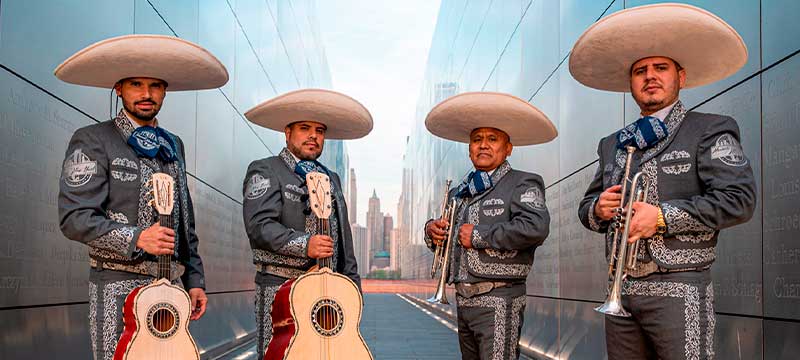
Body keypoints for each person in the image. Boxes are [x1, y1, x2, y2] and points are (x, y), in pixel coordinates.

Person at [570, 4, 756, 359]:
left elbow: (739, 199)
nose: (650, 76)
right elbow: (586, 211)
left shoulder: (708, 129)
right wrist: (598, 209)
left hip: (681, 287)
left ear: (680, 77)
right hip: (620, 290)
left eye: (661, 68)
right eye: (640, 71)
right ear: (631, 83)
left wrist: (660, 217)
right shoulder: (613, 143)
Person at [56, 34, 228, 359]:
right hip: (116, 286)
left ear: (165, 90)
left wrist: (195, 279)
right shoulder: (93, 139)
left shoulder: (173, 144)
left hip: (171, 290)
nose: (146, 94)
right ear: (119, 88)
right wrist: (138, 238)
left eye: (155, 85)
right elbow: (74, 219)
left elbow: (185, 222)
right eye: (135, 84)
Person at [423, 92, 556, 359]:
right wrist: (432, 232)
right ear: (469, 147)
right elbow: (451, 240)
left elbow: (535, 227)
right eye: (477, 139)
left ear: (508, 148)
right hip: (464, 301)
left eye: (492, 139)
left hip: (500, 298)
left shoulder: (523, 182)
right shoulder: (460, 192)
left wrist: (480, 236)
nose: (483, 145)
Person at [241, 89, 372, 358]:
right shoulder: (266, 169)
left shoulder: (331, 177)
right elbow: (259, 227)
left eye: (320, 130)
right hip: (280, 289)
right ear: (287, 132)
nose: (313, 135)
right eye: (304, 128)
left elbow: (345, 241)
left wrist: (354, 291)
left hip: (329, 294)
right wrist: (305, 245)